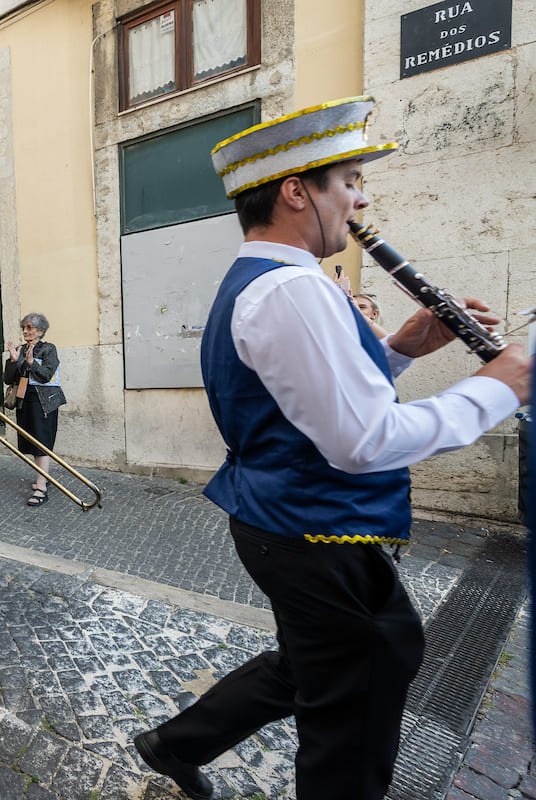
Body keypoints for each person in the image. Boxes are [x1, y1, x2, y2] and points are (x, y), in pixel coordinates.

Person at [130, 97, 530, 800]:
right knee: (364, 683)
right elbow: (364, 440)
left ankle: (174, 744)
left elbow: (311, 398)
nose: (361, 198)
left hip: (284, 520)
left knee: (321, 665)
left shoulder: (273, 280)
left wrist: (399, 348)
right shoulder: (293, 289)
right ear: (296, 192)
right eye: (348, 181)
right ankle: (178, 745)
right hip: (309, 529)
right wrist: (498, 388)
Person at [3, 313, 66, 507]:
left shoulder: (49, 349)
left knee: (41, 443)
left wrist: (31, 363)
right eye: (23, 327)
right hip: (25, 401)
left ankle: (41, 487)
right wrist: (14, 360)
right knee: (31, 443)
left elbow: (46, 375)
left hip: (43, 403)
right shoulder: (20, 349)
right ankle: (43, 477)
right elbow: (8, 379)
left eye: (29, 327)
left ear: (41, 331)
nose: (25, 331)